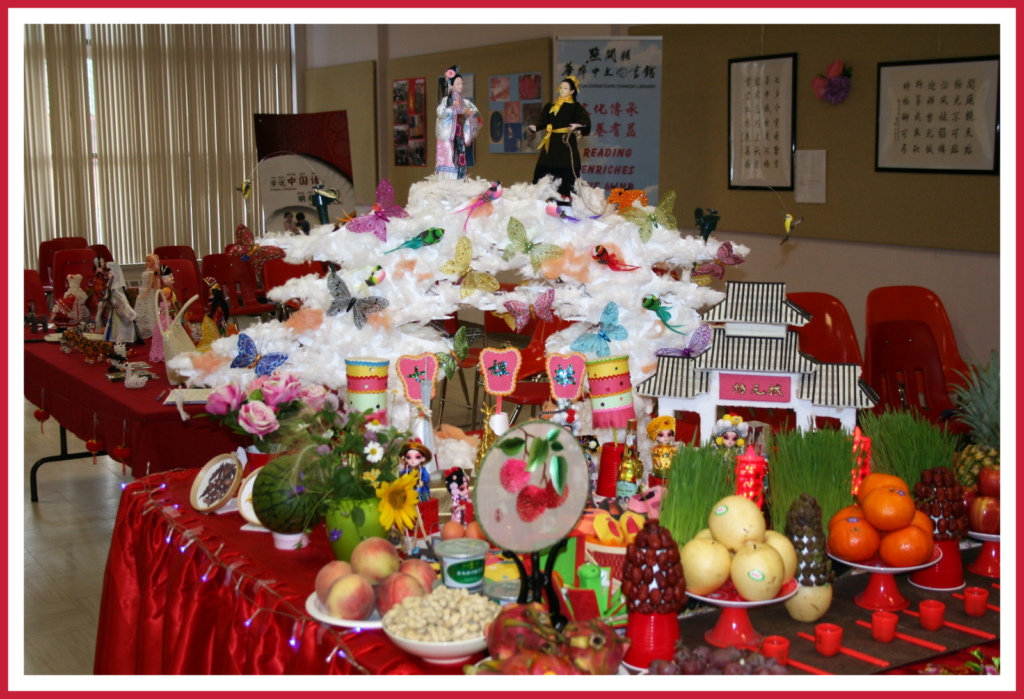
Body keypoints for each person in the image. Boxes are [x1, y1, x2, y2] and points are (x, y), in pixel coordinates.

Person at [528, 76, 591, 199]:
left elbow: (585, 121)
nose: (562, 90)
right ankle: (541, 196)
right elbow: (543, 120)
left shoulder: (576, 107)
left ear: (572, 91)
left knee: (567, 170)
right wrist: (536, 126)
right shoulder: (550, 106)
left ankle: (566, 196)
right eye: (561, 87)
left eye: (566, 88)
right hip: (551, 143)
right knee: (544, 169)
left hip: (565, 142)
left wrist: (577, 125)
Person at [435, 65, 480, 180]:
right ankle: (448, 179)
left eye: (461, 84)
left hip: (459, 132)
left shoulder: (464, 102)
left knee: (460, 155)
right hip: (449, 133)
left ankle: (460, 177)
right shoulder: (447, 100)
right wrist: (452, 110)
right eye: (458, 84)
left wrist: (470, 114)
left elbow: (474, 111)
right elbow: (440, 112)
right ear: (451, 85)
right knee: (449, 157)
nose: (460, 86)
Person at [133, 253, 162, 339]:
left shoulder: (152, 272)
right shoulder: (146, 272)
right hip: (143, 290)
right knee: (142, 309)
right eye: (146, 260)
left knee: (149, 309)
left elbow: (150, 285)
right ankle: (141, 327)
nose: (147, 262)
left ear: (153, 262)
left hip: (148, 291)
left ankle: (151, 328)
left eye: (149, 261)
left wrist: (145, 293)